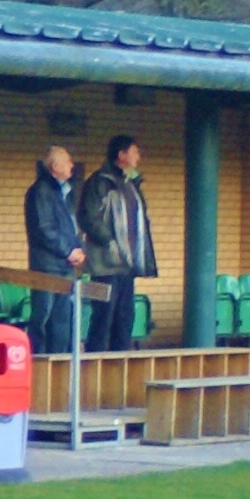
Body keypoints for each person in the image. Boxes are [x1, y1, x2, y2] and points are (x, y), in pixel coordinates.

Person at [81, 135, 157, 354]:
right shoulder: (99, 182)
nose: (138, 157)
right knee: (104, 315)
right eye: (134, 152)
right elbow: (89, 217)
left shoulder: (131, 184)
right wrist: (110, 242)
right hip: (106, 262)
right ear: (121, 155)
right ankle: (95, 361)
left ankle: (120, 361)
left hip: (127, 263)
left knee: (125, 317)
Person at [23, 144, 88, 354]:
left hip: (64, 266)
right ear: (54, 166)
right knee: (43, 318)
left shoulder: (65, 192)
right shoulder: (40, 191)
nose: (72, 165)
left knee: (62, 322)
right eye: (67, 161)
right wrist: (69, 251)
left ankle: (59, 364)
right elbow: (44, 229)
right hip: (47, 267)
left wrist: (79, 249)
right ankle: (38, 363)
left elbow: (72, 226)